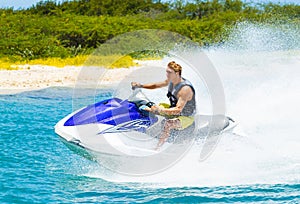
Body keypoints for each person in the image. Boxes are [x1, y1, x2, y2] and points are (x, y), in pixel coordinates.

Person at [131, 61, 196, 150]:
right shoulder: (172, 81)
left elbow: (178, 109)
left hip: (186, 117)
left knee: (168, 123)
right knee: (155, 105)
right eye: (166, 71)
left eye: (169, 72)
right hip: (174, 111)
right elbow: (155, 85)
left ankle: (158, 148)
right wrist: (141, 85)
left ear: (177, 73)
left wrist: (160, 111)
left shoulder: (185, 89)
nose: (167, 74)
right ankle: (142, 130)